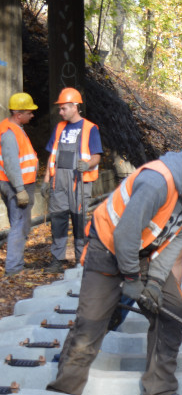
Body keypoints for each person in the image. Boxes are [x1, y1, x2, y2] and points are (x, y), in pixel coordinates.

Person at [46, 130, 182, 395]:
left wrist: (156, 282)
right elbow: (124, 233)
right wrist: (132, 280)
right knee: (92, 321)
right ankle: (65, 389)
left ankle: (160, 387)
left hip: (144, 253)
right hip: (108, 247)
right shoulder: (157, 182)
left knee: (171, 310)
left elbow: (176, 239)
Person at [42, 87, 103, 273]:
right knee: (58, 221)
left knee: (79, 222)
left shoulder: (90, 128)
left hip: (79, 182)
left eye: (64, 108)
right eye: (60, 109)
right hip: (58, 182)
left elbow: (97, 156)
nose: (60, 112)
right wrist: (45, 180)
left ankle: (80, 260)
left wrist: (87, 164)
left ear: (75, 107)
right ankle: (57, 260)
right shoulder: (59, 127)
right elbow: (51, 155)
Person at [0, 93, 39, 277]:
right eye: (29, 112)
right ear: (18, 114)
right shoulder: (9, 133)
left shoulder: (15, 128)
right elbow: (11, 164)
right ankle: (14, 268)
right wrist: (20, 190)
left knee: (20, 223)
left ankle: (17, 263)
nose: (32, 115)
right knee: (19, 224)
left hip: (15, 184)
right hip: (17, 185)